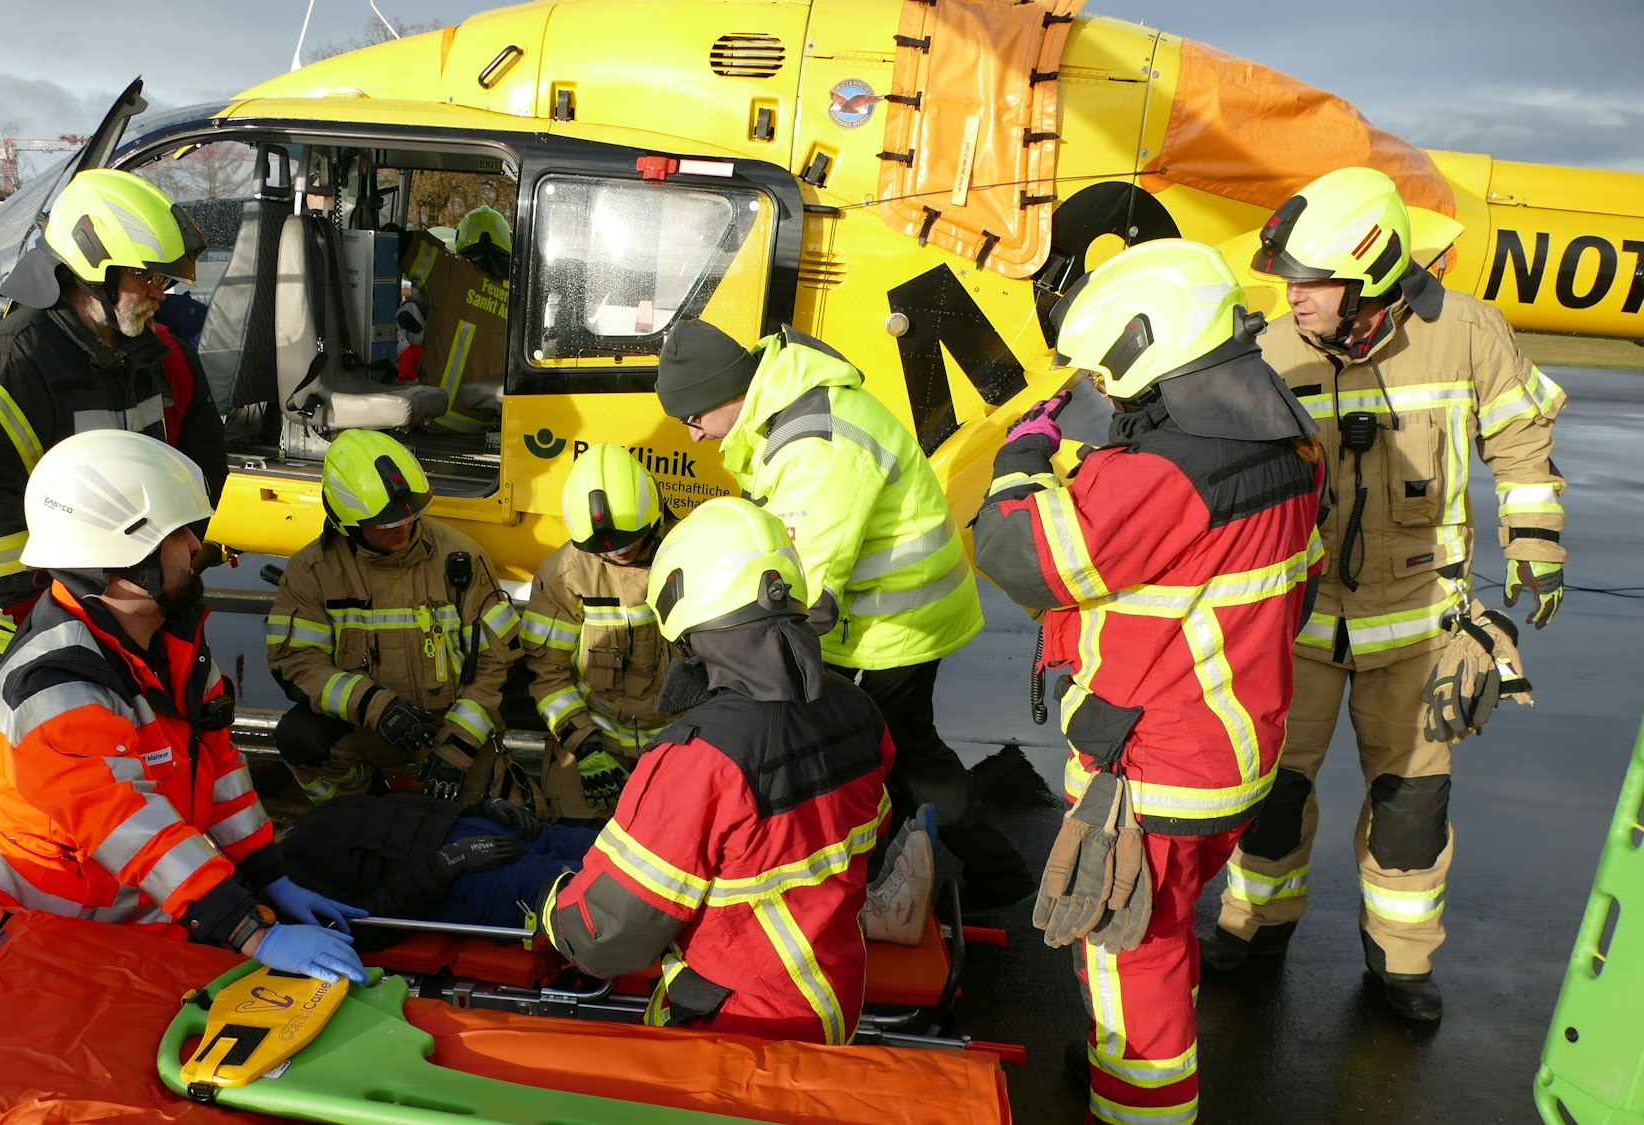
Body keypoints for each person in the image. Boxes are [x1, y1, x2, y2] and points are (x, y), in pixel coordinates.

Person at [1203, 167, 1570, 1021]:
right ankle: (1254, 921)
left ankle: (1401, 961)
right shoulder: (1266, 349)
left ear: (1369, 277)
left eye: (1310, 282)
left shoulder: (1469, 333)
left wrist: (1537, 545)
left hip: (1418, 627)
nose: (1292, 296)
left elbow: (1520, 443)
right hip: (1297, 624)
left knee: (1412, 804)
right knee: (1271, 793)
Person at [971, 239, 1322, 1125]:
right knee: (1159, 921)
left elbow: (1024, 555)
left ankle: (1137, 1104)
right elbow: (1292, 585)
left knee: (1132, 948)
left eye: (1107, 372)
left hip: (1155, 767)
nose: (1107, 390)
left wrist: (1021, 458)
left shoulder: (1164, 470)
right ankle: (1114, 1059)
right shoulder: (1285, 436)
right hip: (1235, 745)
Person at [0, 429, 367, 984]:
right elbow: (128, 826)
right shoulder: (56, 691)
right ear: (125, 560)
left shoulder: (167, 647)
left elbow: (219, 771)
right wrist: (250, 930)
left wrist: (271, 875)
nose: (198, 547)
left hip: (143, 917)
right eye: (179, 535)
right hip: (39, 943)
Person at [654, 317, 1029, 903]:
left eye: (693, 419)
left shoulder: (815, 448)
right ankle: (976, 869)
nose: (696, 436)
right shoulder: (787, 406)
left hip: (897, 624)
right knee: (899, 747)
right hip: (894, 615)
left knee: (867, 752)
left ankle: (928, 878)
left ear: (723, 392)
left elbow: (799, 593)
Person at [538, 497, 895, 1044]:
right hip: (831, 994)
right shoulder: (857, 709)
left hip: (734, 1024)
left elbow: (606, 936)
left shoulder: (700, 759)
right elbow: (868, 833)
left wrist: (551, 912)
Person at [0, 169, 226, 656]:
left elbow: (201, 463)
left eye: (163, 279)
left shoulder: (160, 351)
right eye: (148, 276)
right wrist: (42, 620)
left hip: (138, 610)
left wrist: (171, 566)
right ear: (93, 267)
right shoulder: (14, 361)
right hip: (45, 619)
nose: (161, 293)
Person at [266, 428, 522, 805]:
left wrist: (455, 750)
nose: (402, 528)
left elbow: (496, 668)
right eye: (385, 524)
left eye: (410, 516)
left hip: (453, 726)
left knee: (492, 821)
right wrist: (373, 705)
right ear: (346, 523)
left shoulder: (460, 558)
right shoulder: (313, 570)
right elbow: (298, 663)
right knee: (302, 738)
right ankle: (360, 807)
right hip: (367, 727)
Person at [521, 444, 680, 820]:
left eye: (630, 540)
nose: (620, 552)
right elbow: (547, 676)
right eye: (606, 550)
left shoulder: (691, 552)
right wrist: (586, 745)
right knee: (574, 849)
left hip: (677, 746)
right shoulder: (563, 576)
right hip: (592, 745)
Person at [276, 793, 600, 939]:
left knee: (617, 845)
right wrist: (447, 863)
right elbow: (360, 927)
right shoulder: (283, 883)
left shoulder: (308, 821)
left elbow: (404, 807)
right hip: (464, 885)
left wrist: (481, 807)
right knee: (598, 895)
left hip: (479, 831)